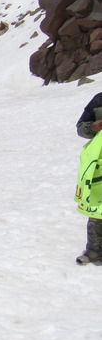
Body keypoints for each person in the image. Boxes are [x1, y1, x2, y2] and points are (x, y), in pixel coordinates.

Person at [75, 92, 102, 265]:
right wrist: (92, 128)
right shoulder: (99, 100)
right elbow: (80, 127)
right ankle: (94, 250)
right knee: (97, 206)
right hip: (99, 161)